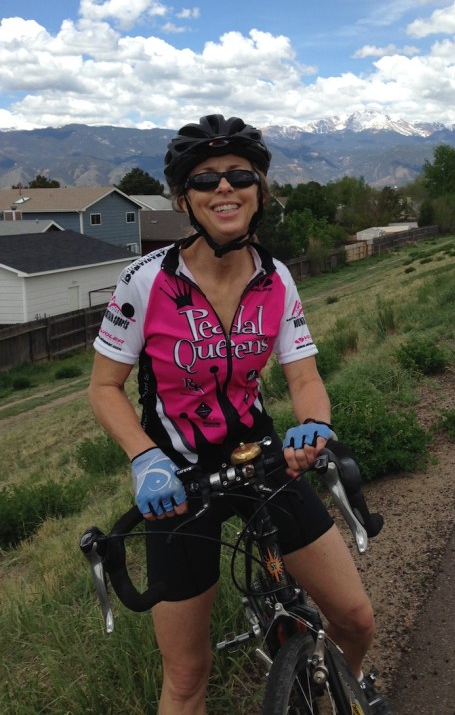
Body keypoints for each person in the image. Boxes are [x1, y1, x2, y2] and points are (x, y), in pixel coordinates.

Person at [88, 114, 393, 715]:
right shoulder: (144, 282)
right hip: (176, 482)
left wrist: (315, 426)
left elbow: (302, 375)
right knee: (186, 676)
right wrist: (146, 458)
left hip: (261, 456)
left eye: (238, 175)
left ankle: (344, 686)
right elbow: (104, 387)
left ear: (259, 191)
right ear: (184, 199)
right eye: (205, 180)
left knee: (356, 618)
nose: (223, 188)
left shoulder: (276, 279)